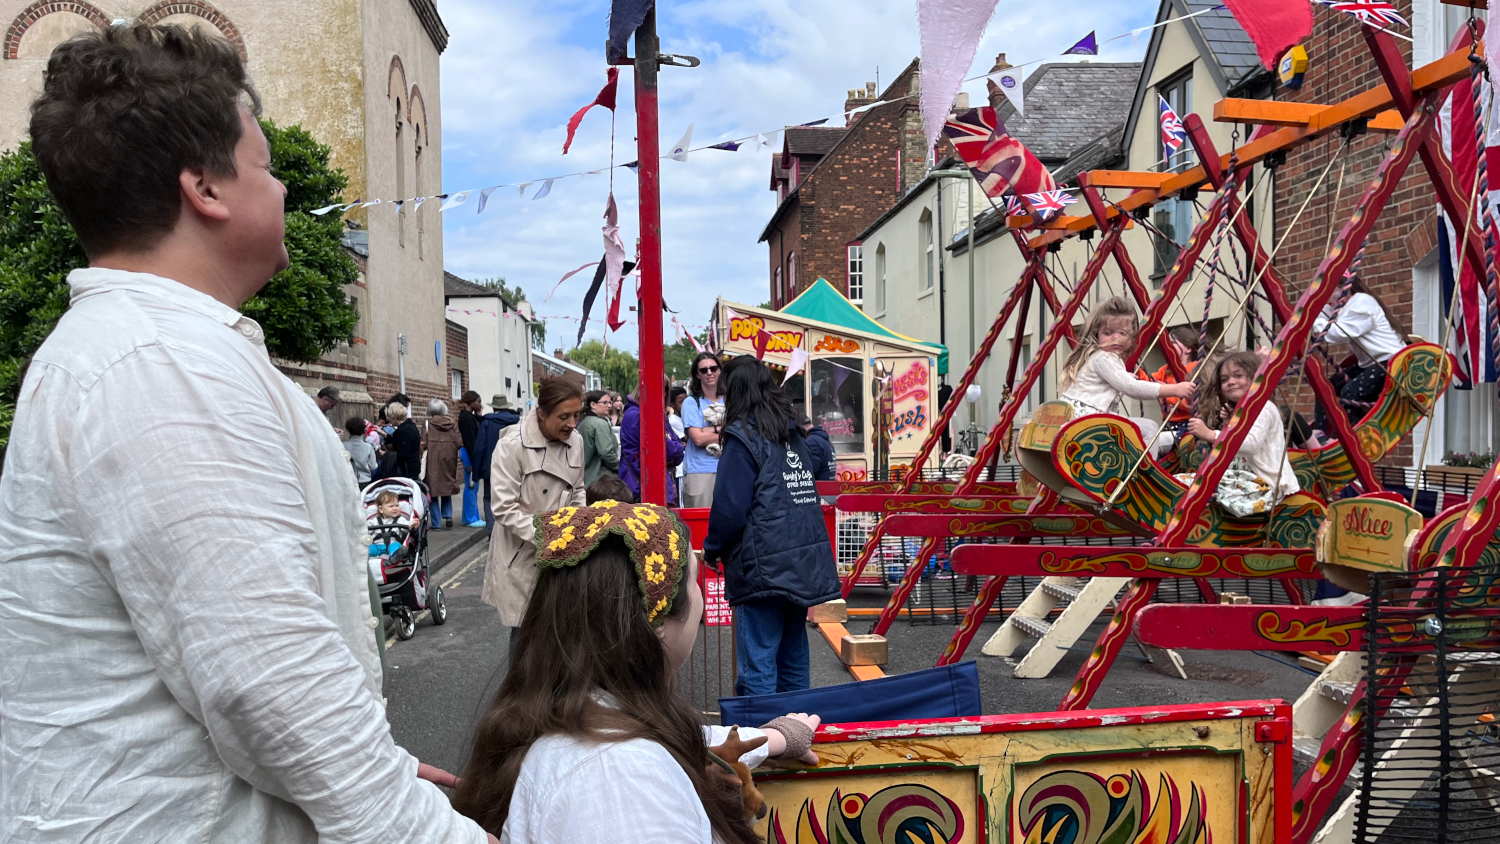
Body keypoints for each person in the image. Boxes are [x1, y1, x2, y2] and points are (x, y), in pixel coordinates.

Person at [0, 22, 491, 843]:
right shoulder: (161, 366)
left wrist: (370, 764)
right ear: (206, 188)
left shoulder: (152, 354)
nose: (287, 191)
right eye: (264, 166)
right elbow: (269, 681)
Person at [452, 503, 822, 841]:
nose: (704, 598)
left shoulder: (581, 716)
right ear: (656, 623)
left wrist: (776, 738)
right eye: (693, 581)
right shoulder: (624, 782)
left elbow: (691, 739)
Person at [704, 356, 841, 696]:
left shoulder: (741, 439)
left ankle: (762, 741)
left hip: (762, 565)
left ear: (735, 393)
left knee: (758, 664)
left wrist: (713, 548)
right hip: (802, 561)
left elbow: (730, 508)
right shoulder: (789, 432)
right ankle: (794, 730)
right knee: (793, 656)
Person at [482, 378, 587, 642]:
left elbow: (578, 489)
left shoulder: (576, 442)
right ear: (542, 414)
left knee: (563, 635)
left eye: (576, 415)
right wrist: (549, 536)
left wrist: (577, 529)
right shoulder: (511, 446)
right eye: (564, 416)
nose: (572, 424)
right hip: (524, 551)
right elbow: (504, 509)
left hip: (564, 551)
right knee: (526, 640)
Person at [1056, 297, 1195, 449]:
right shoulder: (1104, 357)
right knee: (1149, 428)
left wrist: (1123, 377)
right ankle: (1143, 470)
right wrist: (1174, 389)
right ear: (1097, 334)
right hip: (1091, 420)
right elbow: (1132, 388)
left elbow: (1105, 382)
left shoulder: (1094, 356)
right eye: (1108, 333)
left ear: (1130, 338)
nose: (1116, 338)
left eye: (1122, 333)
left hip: (1077, 417)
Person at [1185, 351, 1300, 517]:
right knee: (1185, 481)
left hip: (1263, 483)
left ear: (1255, 377)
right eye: (1224, 379)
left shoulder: (1263, 407)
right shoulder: (1242, 411)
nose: (1231, 382)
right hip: (1245, 478)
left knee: (1195, 485)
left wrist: (1211, 434)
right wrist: (1228, 423)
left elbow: (1250, 444)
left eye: (1238, 375)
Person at [1312, 273, 1404, 434]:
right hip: (1369, 365)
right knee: (1326, 387)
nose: (1326, 300)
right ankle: (1320, 433)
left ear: (1344, 288)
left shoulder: (1361, 302)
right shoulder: (1338, 307)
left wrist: (1313, 321)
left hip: (1390, 362)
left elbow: (1336, 333)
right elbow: (1319, 314)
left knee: (1350, 393)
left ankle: (1348, 436)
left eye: (1328, 293)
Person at [619, 376, 686, 505]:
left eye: (664, 388)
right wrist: (673, 449)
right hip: (642, 487)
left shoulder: (656, 413)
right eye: (655, 386)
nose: (661, 392)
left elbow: (676, 449)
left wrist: (674, 449)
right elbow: (668, 448)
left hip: (658, 483)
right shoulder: (638, 415)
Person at [1137, 325, 1202, 439]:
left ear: (1188, 348)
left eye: (1172, 343)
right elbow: (1148, 382)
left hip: (1188, 424)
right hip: (1168, 424)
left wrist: (1166, 391)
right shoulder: (1165, 370)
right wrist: (1137, 369)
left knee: (1155, 441)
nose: (1168, 347)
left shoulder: (1195, 369)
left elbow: (1190, 402)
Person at [471, 394, 523, 535]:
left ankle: (493, 533)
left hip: (491, 468)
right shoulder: (517, 421)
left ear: (494, 407)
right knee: (515, 498)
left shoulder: (487, 422)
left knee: (489, 498)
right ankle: (511, 532)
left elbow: (480, 448)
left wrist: (475, 475)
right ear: (507, 406)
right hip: (515, 467)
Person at [680, 352, 725, 507]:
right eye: (704, 370)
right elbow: (698, 439)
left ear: (719, 370)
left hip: (730, 468)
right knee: (700, 526)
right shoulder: (691, 402)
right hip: (700, 471)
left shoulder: (732, 399)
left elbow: (741, 430)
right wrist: (724, 429)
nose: (709, 373)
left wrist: (707, 430)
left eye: (713, 368)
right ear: (697, 374)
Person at [423, 398, 463, 529]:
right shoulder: (452, 424)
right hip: (449, 459)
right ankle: (448, 515)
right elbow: (459, 442)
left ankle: (436, 523)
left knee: (433, 490)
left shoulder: (428, 424)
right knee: (446, 487)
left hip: (432, 460)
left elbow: (423, 443)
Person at [579, 389, 621, 486]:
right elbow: (606, 452)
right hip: (599, 479)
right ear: (593, 405)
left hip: (586, 477)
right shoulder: (599, 424)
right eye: (605, 403)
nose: (609, 406)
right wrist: (619, 466)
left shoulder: (585, 422)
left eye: (610, 402)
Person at [458, 390, 485, 526]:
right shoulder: (466, 418)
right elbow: (470, 441)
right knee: (471, 485)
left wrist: (479, 416)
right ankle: (470, 518)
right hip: (470, 454)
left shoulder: (470, 417)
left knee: (473, 486)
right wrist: (475, 459)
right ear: (471, 402)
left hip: (471, 453)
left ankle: (473, 516)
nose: (480, 405)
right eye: (478, 402)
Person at [368, 490, 412, 558]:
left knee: (396, 546)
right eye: (391, 506)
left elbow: (407, 526)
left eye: (397, 505)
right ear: (381, 509)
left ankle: (395, 556)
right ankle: (366, 556)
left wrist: (413, 524)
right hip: (377, 546)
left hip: (392, 546)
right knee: (370, 548)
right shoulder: (374, 521)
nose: (395, 508)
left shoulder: (400, 520)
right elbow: (364, 530)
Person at [387, 400, 423, 480]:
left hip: (406, 471)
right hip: (412, 467)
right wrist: (385, 435)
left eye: (390, 417)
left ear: (395, 417)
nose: (388, 419)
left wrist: (386, 455)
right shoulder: (410, 426)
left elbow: (402, 454)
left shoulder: (404, 430)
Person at [800, 415, 837, 481]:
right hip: (827, 485)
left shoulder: (811, 441)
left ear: (801, 428)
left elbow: (812, 469)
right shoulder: (824, 439)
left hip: (819, 487)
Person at [344, 416, 377, 485]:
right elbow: (373, 466)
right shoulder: (368, 447)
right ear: (364, 430)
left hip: (349, 480)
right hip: (365, 480)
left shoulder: (343, 446)